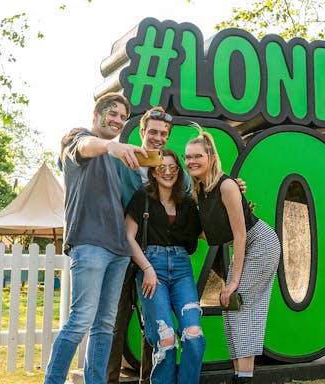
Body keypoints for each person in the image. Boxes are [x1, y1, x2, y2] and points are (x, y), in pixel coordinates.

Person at [44, 93, 148, 384]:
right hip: (89, 244)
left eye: (122, 117)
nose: (117, 121)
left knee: (104, 325)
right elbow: (87, 147)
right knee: (80, 321)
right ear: (97, 112)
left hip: (119, 250)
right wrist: (111, 146)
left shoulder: (113, 165)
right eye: (112, 113)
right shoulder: (78, 139)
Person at [185, 131, 281, 384]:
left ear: (210, 157)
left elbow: (240, 235)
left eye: (197, 156)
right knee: (232, 308)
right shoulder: (200, 191)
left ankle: (245, 378)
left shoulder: (226, 186)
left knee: (241, 303)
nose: (191, 161)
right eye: (188, 157)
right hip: (243, 246)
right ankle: (239, 375)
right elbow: (212, 233)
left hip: (259, 243)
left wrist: (233, 281)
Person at [107, 106, 182, 384]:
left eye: (164, 133)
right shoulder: (120, 159)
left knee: (155, 321)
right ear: (142, 132)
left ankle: (151, 379)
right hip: (122, 251)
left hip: (156, 255)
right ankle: (108, 378)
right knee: (116, 319)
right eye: (153, 132)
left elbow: (191, 196)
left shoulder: (171, 169)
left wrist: (231, 187)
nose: (158, 138)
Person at [125, 149, 205, 383]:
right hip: (152, 268)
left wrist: (236, 208)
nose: (167, 172)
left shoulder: (187, 204)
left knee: (193, 334)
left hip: (182, 269)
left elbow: (206, 234)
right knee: (166, 337)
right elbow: (128, 238)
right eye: (162, 167)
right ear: (153, 171)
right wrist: (147, 269)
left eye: (173, 168)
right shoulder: (143, 197)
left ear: (179, 172)